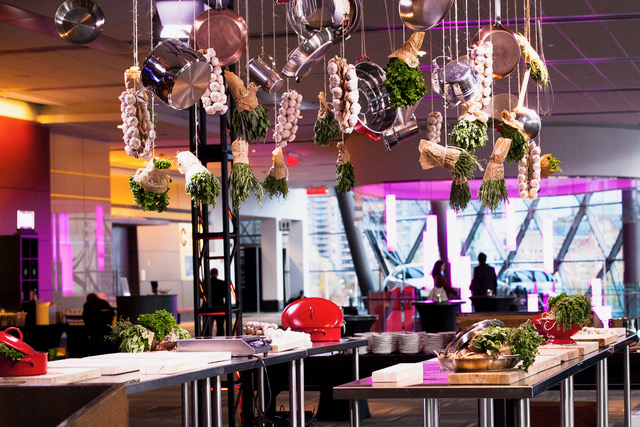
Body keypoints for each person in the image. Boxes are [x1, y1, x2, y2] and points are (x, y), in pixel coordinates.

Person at [210, 268, 227, 336]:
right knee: (220, 326)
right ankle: (220, 339)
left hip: (209, 307)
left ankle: (207, 340)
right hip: (220, 306)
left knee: (208, 326)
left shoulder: (205, 283)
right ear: (217, 274)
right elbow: (225, 294)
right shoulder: (221, 283)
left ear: (210, 274)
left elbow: (201, 295)